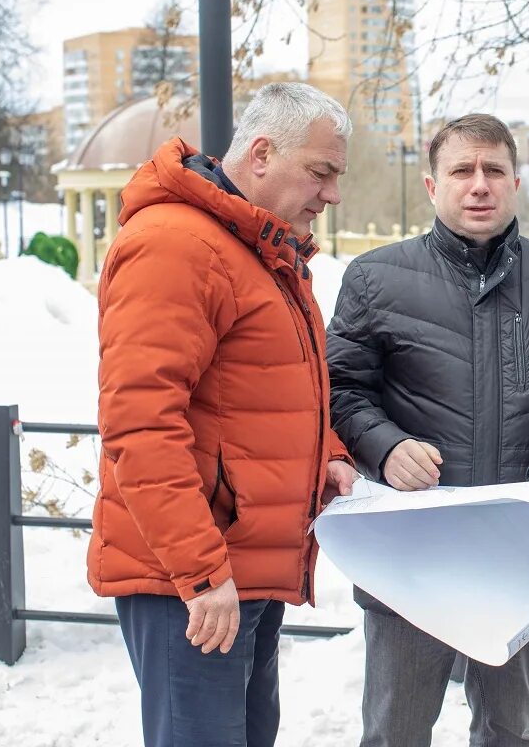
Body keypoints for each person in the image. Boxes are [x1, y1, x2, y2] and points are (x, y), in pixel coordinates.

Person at [326, 113, 529, 747]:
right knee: (394, 734)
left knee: (507, 733)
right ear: (432, 186)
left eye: (493, 171)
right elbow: (338, 389)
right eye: (462, 171)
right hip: (411, 552)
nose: (478, 185)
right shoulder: (376, 279)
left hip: (523, 553)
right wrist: (386, 445)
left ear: (515, 182)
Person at [87, 82, 358, 747]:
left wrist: (329, 455)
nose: (332, 195)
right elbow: (140, 422)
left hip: (243, 565)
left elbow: (266, 390)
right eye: (320, 173)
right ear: (261, 154)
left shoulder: (259, 248)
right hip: (194, 578)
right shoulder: (178, 246)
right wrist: (200, 571)